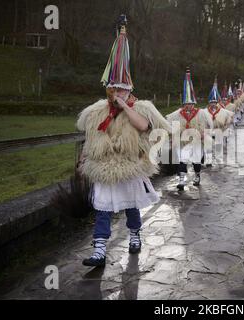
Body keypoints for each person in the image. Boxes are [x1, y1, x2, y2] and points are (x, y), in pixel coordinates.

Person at [76, 15, 171, 267]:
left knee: (131, 207)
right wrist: (82, 160)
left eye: (123, 90)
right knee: (103, 209)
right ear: (110, 89)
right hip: (105, 168)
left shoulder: (140, 108)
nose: (118, 93)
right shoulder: (97, 111)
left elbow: (143, 126)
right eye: (114, 89)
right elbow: (90, 138)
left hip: (130, 166)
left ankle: (134, 235)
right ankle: (99, 250)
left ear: (129, 90)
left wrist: (124, 106)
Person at [166, 68, 213, 190]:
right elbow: (170, 125)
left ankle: (197, 175)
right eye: (186, 103)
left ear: (194, 104)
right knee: (182, 160)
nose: (188, 106)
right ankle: (181, 180)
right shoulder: (177, 114)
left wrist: (204, 134)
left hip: (197, 141)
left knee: (196, 161)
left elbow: (209, 125)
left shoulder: (201, 113)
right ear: (183, 104)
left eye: (191, 103)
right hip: (183, 142)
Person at [203, 77, 234, 164]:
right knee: (208, 146)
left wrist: (225, 126)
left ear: (217, 103)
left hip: (218, 130)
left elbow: (229, 119)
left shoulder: (223, 111)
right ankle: (208, 160)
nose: (213, 104)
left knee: (218, 145)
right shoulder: (204, 111)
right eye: (211, 102)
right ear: (209, 103)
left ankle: (219, 159)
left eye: (215, 102)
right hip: (208, 131)